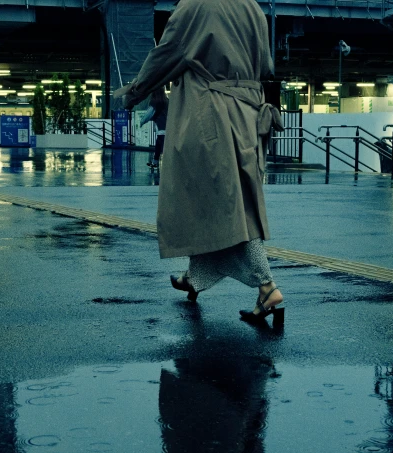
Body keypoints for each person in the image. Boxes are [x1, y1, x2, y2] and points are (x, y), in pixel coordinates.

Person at [115, 0, 285, 327]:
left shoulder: (196, 6)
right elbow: (266, 64)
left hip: (212, 115)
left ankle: (267, 288)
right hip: (248, 115)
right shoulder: (252, 7)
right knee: (217, 198)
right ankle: (195, 277)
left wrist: (134, 92)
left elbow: (168, 53)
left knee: (227, 205)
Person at [140, 88, 169, 169]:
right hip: (169, 127)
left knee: (161, 146)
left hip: (161, 127)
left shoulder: (155, 102)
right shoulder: (167, 101)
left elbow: (149, 114)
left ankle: (167, 167)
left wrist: (141, 122)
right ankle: (155, 162)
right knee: (159, 145)